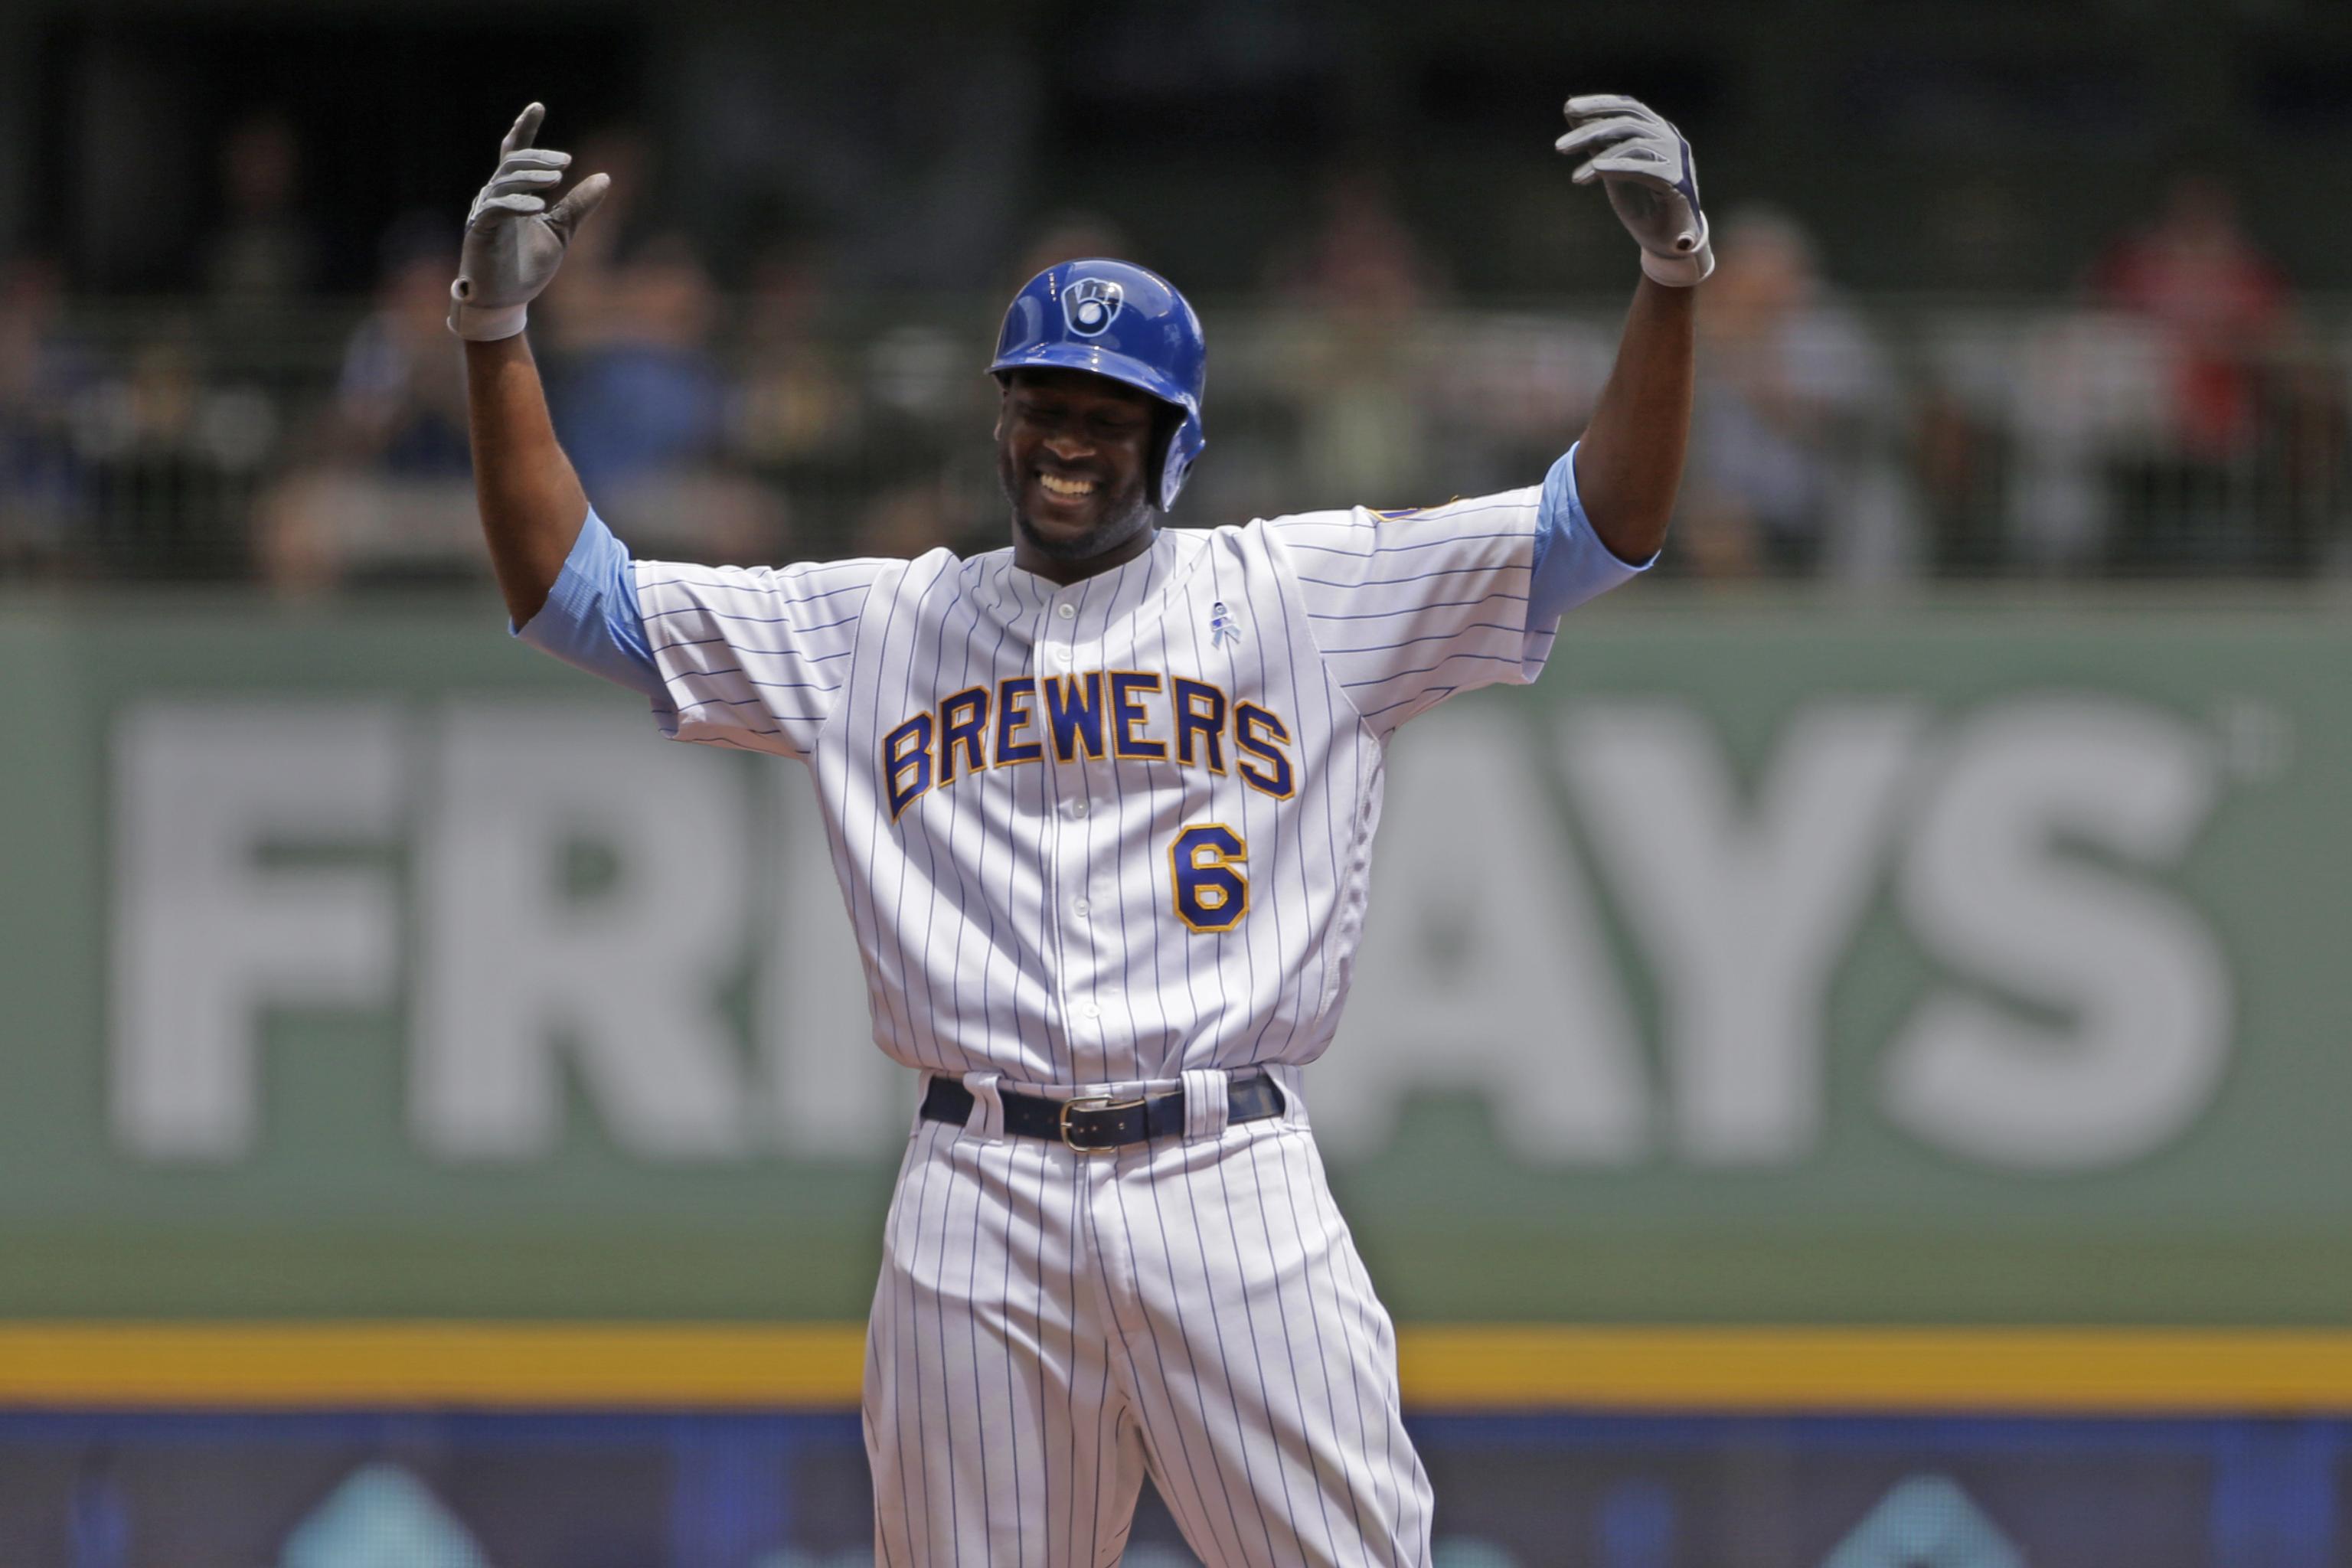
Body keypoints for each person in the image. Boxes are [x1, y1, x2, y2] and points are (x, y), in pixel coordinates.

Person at [451, 95, 1702, 1566]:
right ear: (1000, 418)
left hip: (1226, 1175)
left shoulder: (1298, 593)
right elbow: (573, 597)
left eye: (1110, 417)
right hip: (976, 1192)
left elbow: (1596, 529)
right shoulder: (886, 621)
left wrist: (1674, 281)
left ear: (1176, 447)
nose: (1068, 442)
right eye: (1044, 406)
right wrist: (489, 332)